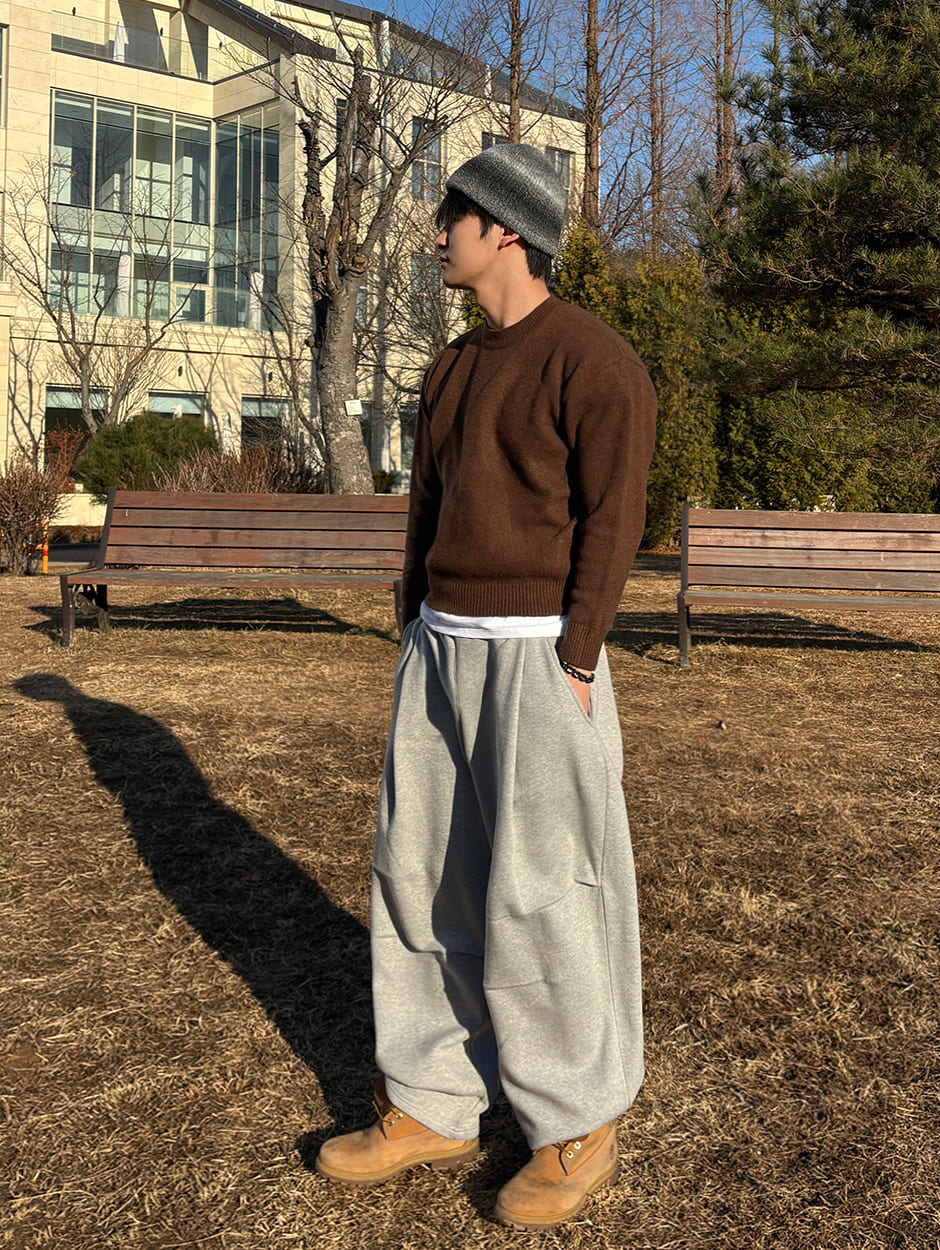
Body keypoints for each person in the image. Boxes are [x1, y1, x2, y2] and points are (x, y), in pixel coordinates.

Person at [316, 142, 657, 1232]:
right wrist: (411, 625)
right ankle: (432, 1099)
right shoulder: (452, 368)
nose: (435, 234)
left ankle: (576, 1118)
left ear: (505, 229)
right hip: (440, 653)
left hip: (539, 656)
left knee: (547, 891)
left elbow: (614, 517)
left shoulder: (594, 362)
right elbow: (428, 509)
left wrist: (579, 654)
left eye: (451, 216)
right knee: (419, 877)